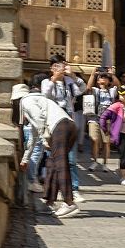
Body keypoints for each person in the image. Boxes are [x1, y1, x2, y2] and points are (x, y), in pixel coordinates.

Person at [14, 81, 80, 218]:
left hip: (59, 127)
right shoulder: (41, 100)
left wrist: (45, 139)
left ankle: (69, 203)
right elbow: (33, 137)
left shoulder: (26, 101)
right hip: (70, 126)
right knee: (52, 163)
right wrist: (25, 159)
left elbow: (39, 119)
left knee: (60, 164)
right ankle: (50, 201)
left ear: (16, 100)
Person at [42, 60, 87, 196]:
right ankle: (53, 189)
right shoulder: (46, 82)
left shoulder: (69, 81)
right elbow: (45, 95)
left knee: (71, 158)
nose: (60, 69)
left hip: (68, 118)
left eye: (61, 66)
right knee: (54, 156)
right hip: (54, 119)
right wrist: (54, 79)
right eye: (56, 66)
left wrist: (73, 76)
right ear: (51, 68)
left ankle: (74, 187)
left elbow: (82, 90)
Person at [84, 71, 120, 171]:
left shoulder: (112, 91)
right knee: (94, 139)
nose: (103, 79)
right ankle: (95, 161)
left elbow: (118, 85)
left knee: (106, 142)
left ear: (109, 81)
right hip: (94, 118)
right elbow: (88, 88)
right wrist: (92, 74)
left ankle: (105, 163)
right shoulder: (95, 90)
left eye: (105, 78)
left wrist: (112, 74)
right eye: (101, 78)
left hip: (108, 120)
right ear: (98, 80)